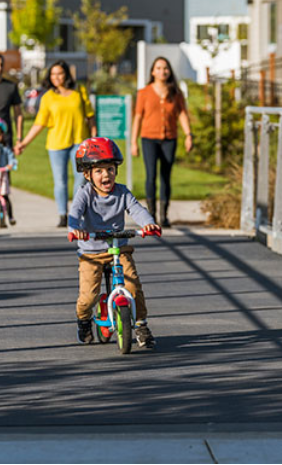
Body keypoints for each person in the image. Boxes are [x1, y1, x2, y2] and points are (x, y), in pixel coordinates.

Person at [68, 137, 160, 349]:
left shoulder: (122, 192)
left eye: (109, 169)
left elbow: (137, 209)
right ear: (87, 174)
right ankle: (83, 321)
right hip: (91, 252)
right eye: (98, 171)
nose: (105, 175)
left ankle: (142, 326)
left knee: (133, 286)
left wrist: (149, 224)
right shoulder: (85, 195)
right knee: (88, 297)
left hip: (118, 249)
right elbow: (74, 214)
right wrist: (75, 230)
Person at [16, 60, 96, 228]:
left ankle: (76, 213)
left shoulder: (79, 91)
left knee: (81, 179)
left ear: (66, 74)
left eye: (60, 73)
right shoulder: (47, 97)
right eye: (53, 74)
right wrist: (24, 143)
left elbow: (90, 116)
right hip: (56, 143)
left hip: (80, 142)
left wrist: (94, 140)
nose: (56, 77)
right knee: (60, 181)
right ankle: (62, 214)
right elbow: (39, 123)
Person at [130, 56, 194, 228]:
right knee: (151, 176)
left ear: (169, 71)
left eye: (165, 68)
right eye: (158, 68)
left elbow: (182, 114)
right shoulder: (143, 93)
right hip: (148, 139)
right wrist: (133, 142)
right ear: (152, 72)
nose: (162, 71)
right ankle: (150, 215)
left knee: (165, 177)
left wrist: (189, 135)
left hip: (169, 139)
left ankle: (164, 216)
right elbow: (137, 117)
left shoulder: (176, 93)